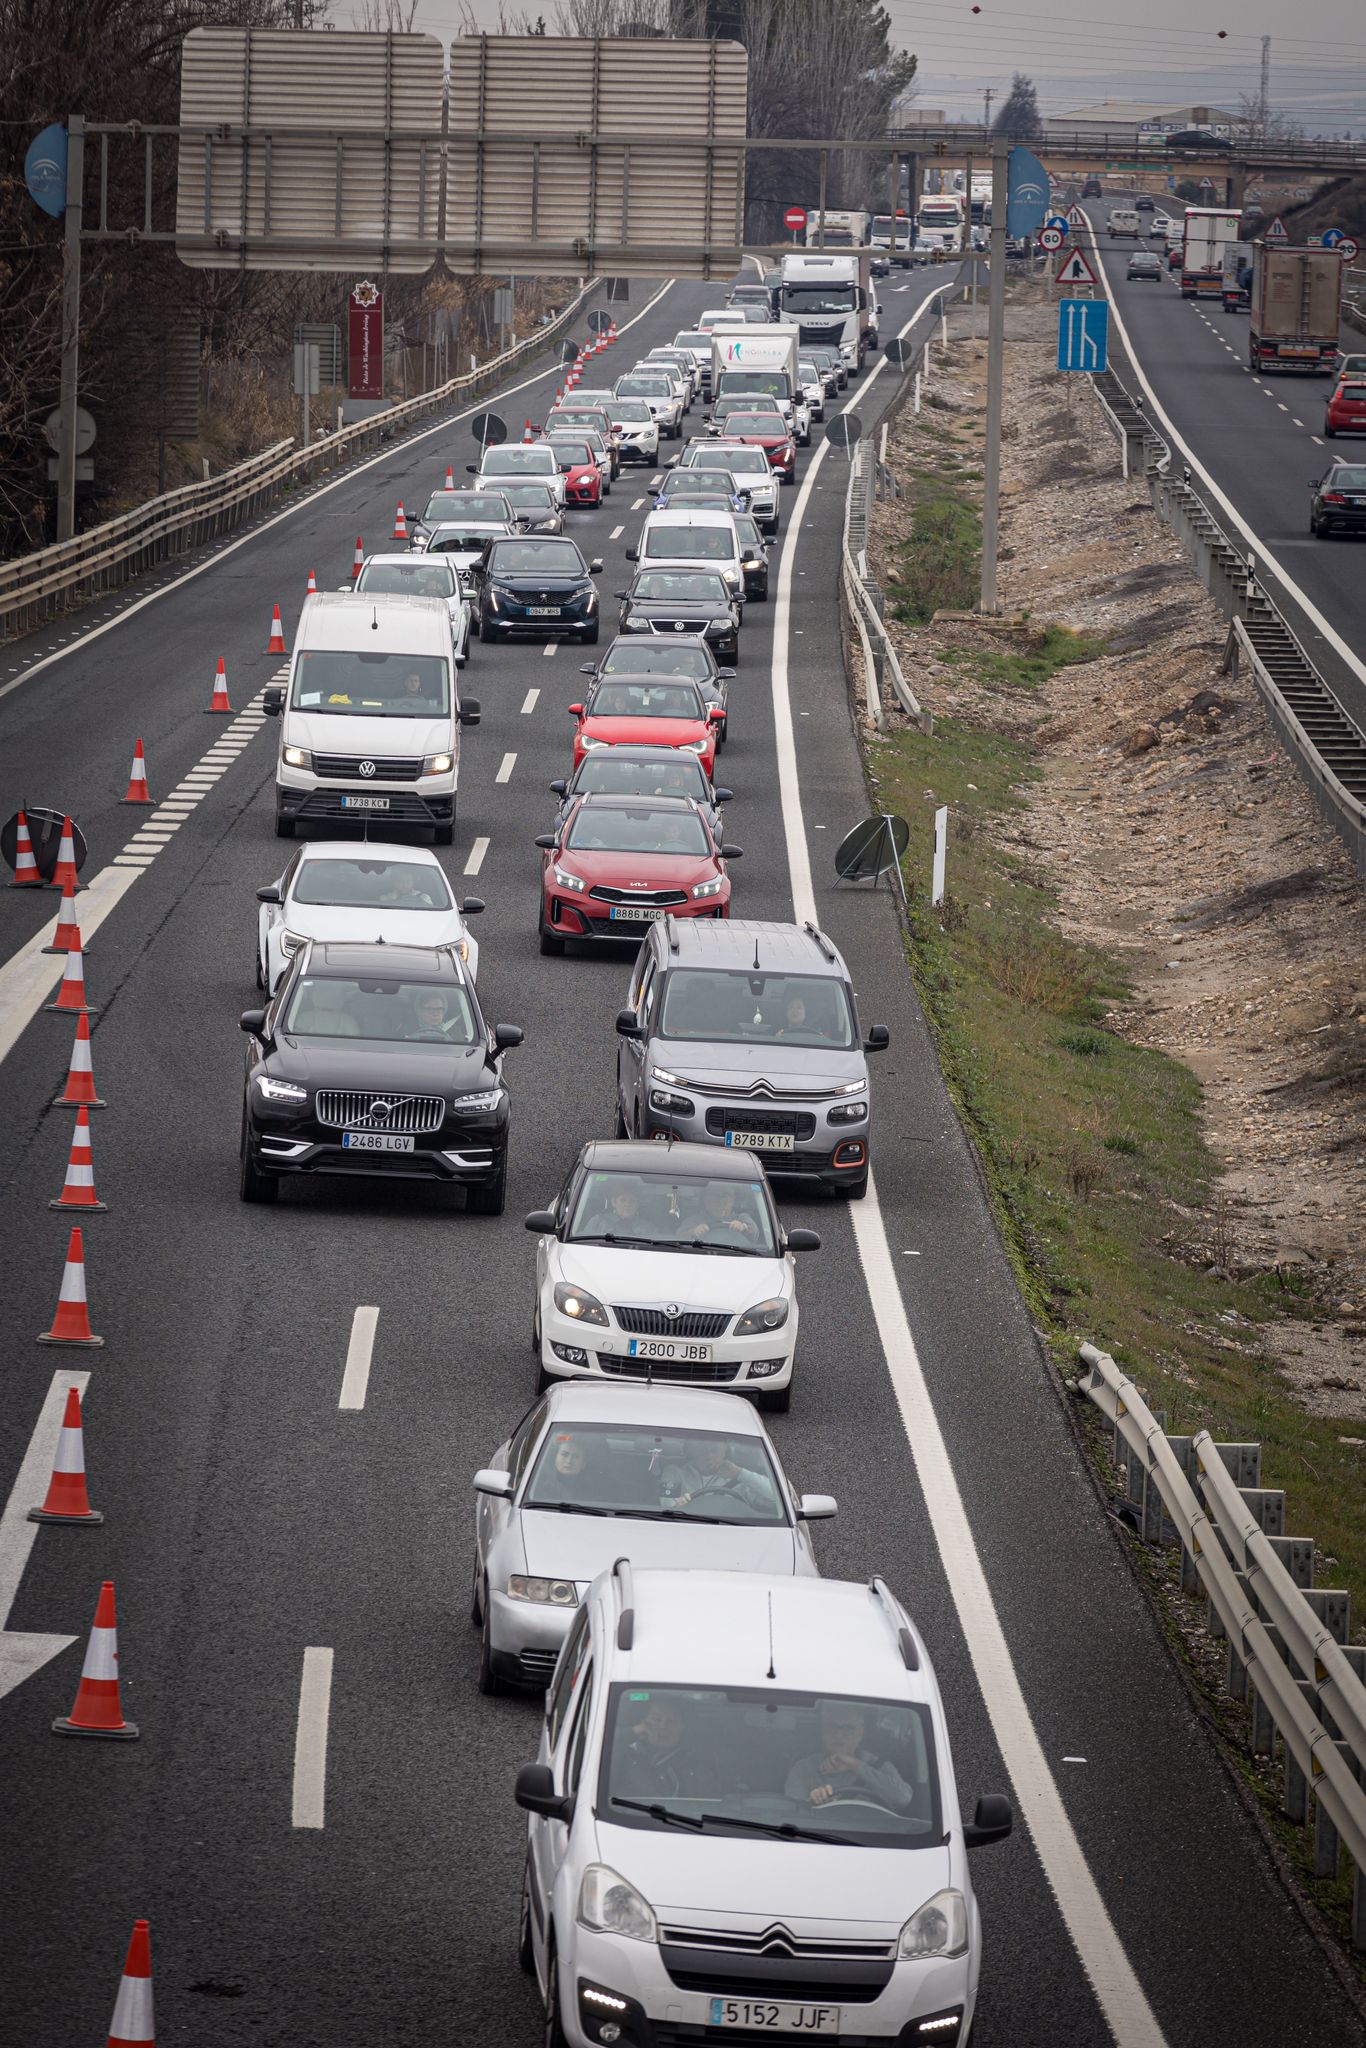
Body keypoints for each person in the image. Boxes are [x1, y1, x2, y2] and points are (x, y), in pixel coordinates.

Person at [785, 1704, 915, 1812]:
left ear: (860, 1732)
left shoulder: (878, 1765)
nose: (838, 1734)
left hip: (869, 1832)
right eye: (831, 1726)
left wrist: (856, 1765)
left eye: (847, 1728)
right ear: (821, 1730)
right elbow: (792, 1813)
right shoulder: (804, 1768)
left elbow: (903, 1799)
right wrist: (813, 1800)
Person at [660, 1438, 773, 1515]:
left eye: (714, 1449)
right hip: (687, 1526)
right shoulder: (675, 1473)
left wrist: (740, 1473)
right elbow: (666, 1506)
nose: (709, 1455)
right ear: (691, 1451)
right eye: (702, 1449)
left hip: (732, 1529)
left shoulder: (740, 1479)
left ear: (725, 1451)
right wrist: (678, 1506)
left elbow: (775, 1497)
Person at [617, 1698, 698, 1800]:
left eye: (671, 1721)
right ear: (642, 1722)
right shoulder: (622, 1754)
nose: (663, 1726)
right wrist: (631, 1733)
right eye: (657, 1719)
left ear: (682, 1727)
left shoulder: (696, 1762)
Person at [678, 1182, 759, 1245]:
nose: (720, 1200)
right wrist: (693, 1231)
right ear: (705, 1198)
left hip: (739, 1256)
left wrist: (743, 1227)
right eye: (715, 1195)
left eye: (725, 1195)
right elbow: (678, 1237)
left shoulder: (742, 1218)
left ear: (733, 1199)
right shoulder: (694, 1220)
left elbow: (755, 1233)